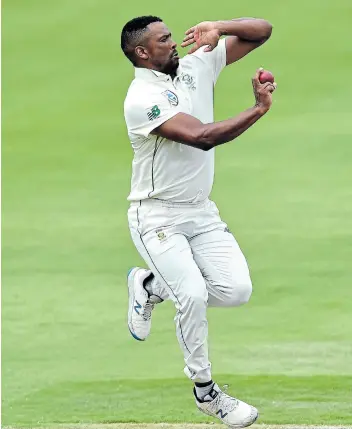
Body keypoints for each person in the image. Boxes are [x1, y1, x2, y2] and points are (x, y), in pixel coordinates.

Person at [121, 15, 276, 427]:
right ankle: (207, 392)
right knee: (189, 294)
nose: (175, 43)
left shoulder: (196, 65)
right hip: (156, 216)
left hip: (201, 212)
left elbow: (261, 31)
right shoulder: (141, 98)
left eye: (172, 36)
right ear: (142, 53)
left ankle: (149, 284)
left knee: (237, 290)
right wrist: (258, 110)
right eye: (164, 40)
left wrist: (220, 27)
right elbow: (202, 135)